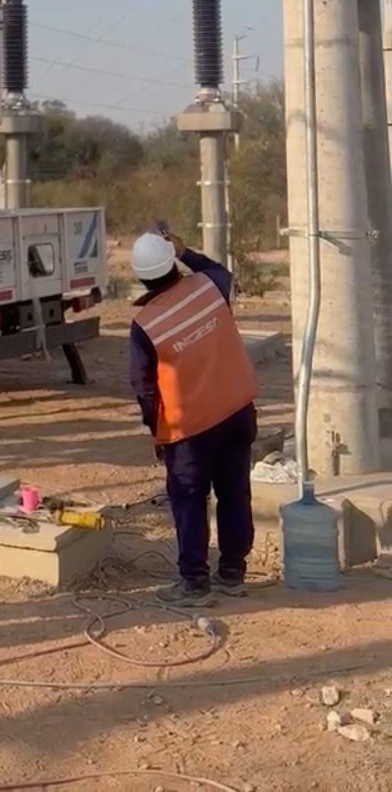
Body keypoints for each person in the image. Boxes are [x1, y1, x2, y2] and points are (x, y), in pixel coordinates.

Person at [129, 227, 258, 609]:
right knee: (235, 492)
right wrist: (188, 252)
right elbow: (222, 272)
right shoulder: (208, 288)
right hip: (236, 412)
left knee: (189, 501)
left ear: (140, 276)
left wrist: (158, 431)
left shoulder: (145, 325)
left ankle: (194, 583)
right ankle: (233, 573)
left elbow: (143, 387)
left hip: (191, 429)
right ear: (172, 262)